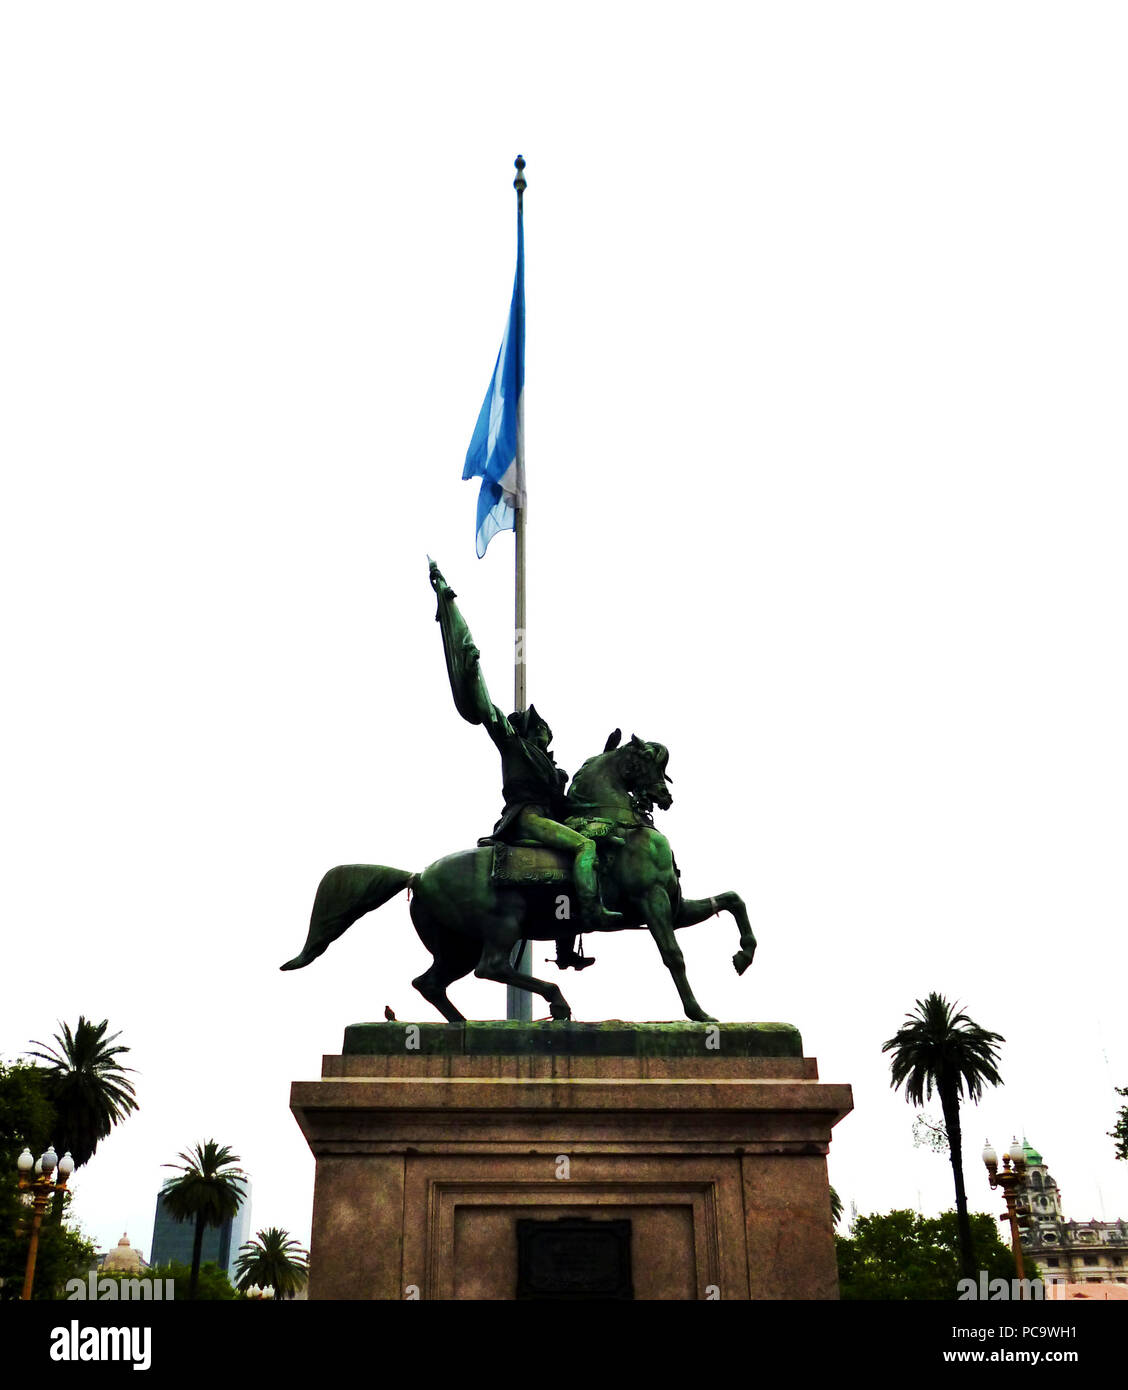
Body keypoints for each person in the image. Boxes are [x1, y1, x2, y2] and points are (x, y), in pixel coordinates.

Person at [429, 560, 619, 966]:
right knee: (583, 847)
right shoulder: (514, 745)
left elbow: (568, 804)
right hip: (526, 818)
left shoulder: (551, 768)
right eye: (544, 729)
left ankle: (567, 949)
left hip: (549, 817)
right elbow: (486, 710)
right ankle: (594, 912)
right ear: (533, 730)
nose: (548, 736)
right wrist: (466, 647)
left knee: (585, 853)